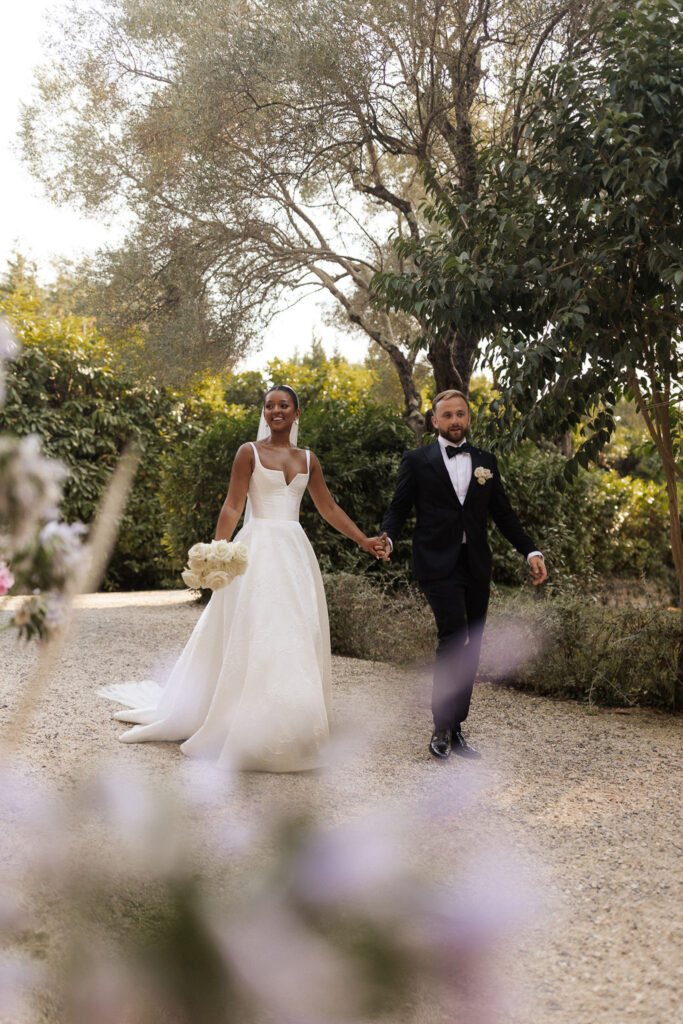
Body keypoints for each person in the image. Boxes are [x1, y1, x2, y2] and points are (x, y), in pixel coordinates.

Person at [99, 385, 385, 772]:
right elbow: (234, 504)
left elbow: (327, 506)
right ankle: (240, 724)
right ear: (264, 413)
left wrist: (363, 540)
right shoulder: (248, 452)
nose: (276, 410)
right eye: (270, 406)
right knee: (254, 631)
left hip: (294, 555)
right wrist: (217, 552)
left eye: (284, 405)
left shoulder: (309, 460)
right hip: (255, 552)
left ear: (297, 413)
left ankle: (293, 728)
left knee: (295, 634)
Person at [378, 389, 547, 761]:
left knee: (472, 642)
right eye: (447, 415)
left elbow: (504, 514)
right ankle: (440, 725)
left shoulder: (486, 461)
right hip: (436, 563)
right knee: (454, 636)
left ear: (468, 418)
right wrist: (387, 539)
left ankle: (456, 727)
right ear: (434, 421)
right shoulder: (417, 460)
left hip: (476, 564)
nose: (454, 421)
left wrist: (530, 550)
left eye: (460, 414)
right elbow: (398, 508)